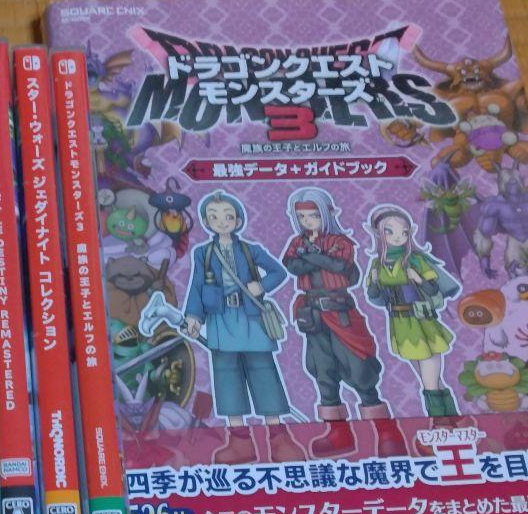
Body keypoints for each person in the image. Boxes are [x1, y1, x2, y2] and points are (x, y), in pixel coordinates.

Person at [282, 187, 406, 458]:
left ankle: (385, 431)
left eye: (314, 215)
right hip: (312, 315)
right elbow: (292, 266)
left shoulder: (340, 241)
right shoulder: (296, 242)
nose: (308, 221)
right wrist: (314, 258)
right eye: (302, 217)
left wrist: (308, 255)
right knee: (322, 372)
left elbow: (339, 266)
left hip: (340, 312)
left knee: (359, 367)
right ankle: (338, 433)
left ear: (326, 214)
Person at [183, 190, 304, 464]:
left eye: (227, 216)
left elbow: (278, 271)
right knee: (226, 376)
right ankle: (239, 442)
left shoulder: (250, 249)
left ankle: (278, 439)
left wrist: (261, 286)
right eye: (214, 217)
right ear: (206, 221)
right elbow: (197, 286)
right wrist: (193, 317)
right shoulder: (203, 253)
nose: (221, 221)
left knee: (263, 372)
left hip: (250, 318)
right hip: (220, 319)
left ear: (237, 220)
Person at [365, 205, 460, 418]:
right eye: (390, 231)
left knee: (429, 379)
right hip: (400, 323)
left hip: (421, 320)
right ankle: (453, 417)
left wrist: (418, 279)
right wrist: (375, 282)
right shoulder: (377, 264)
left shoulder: (416, 259)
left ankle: (438, 419)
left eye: (404, 232)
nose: (398, 236)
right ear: (378, 233)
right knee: (431, 378)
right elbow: (374, 297)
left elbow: (433, 289)